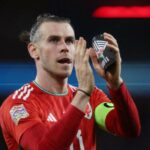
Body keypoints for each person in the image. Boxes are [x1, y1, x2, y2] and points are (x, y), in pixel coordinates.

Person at [0, 13, 141, 150]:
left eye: (69, 41)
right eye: (54, 40)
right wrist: (83, 94)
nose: (64, 47)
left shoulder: (92, 97)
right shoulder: (18, 104)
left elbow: (129, 130)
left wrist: (115, 84)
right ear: (33, 50)